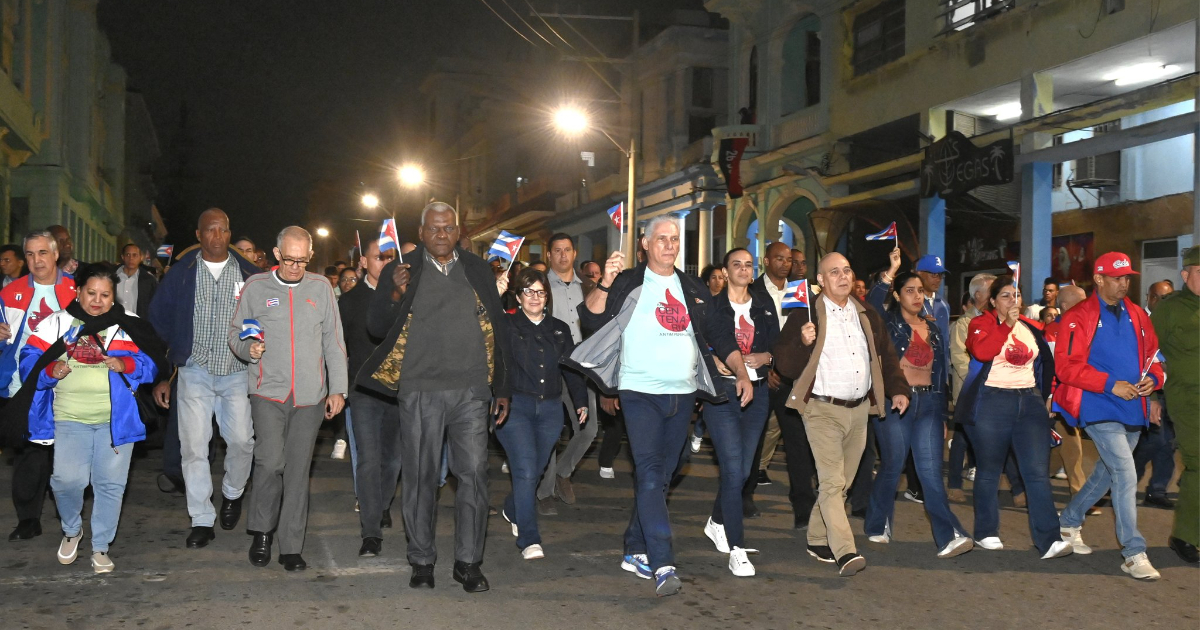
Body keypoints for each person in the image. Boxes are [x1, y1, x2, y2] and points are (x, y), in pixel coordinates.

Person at [566, 215, 751, 596]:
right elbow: (591, 315)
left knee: (666, 472)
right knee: (650, 473)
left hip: (683, 395)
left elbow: (719, 332)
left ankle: (635, 547)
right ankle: (663, 561)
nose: (669, 244)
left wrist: (741, 371)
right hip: (639, 392)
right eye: (661, 238)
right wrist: (605, 281)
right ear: (645, 244)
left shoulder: (692, 287)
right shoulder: (630, 280)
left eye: (674, 239)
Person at [356, 202, 511, 592]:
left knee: (474, 475)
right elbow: (375, 327)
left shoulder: (478, 268)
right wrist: (394, 292)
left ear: (457, 232)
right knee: (422, 476)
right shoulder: (403, 268)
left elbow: (498, 327)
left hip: (472, 390)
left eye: (448, 229)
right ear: (422, 232)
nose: (441, 235)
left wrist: (502, 387)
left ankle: (468, 562)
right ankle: (422, 559)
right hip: (421, 389)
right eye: (433, 229)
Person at [16, 265, 159, 573]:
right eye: (91, 293)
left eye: (105, 295)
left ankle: (101, 547)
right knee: (67, 481)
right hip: (68, 418)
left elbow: (152, 362)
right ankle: (72, 530)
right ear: (77, 292)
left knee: (110, 485)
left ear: (113, 296)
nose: (97, 301)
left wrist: (126, 364)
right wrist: (49, 371)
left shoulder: (128, 324)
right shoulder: (56, 324)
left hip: (116, 421)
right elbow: (28, 361)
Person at [772, 252, 908, 577]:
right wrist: (803, 342)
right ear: (821, 280)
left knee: (841, 484)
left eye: (847, 269)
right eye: (834, 272)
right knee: (832, 481)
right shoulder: (806, 315)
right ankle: (844, 550)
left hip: (860, 409)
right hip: (821, 410)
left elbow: (886, 355)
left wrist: (898, 388)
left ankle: (817, 537)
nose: (843, 276)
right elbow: (785, 366)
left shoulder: (867, 313)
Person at [229, 226, 347, 572]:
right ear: (277, 255)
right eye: (290, 259)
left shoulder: (321, 288)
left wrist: (338, 388)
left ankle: (291, 545)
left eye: (303, 260)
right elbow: (236, 333)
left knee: (297, 470)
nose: (296, 266)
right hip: (268, 390)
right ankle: (262, 531)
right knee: (269, 462)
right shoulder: (256, 287)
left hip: (310, 396)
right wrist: (247, 348)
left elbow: (334, 342)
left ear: (310, 257)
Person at [148, 209, 261, 550]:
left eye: (223, 230)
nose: (217, 236)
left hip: (236, 371)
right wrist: (175, 356)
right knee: (194, 448)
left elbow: (261, 316)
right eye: (210, 230)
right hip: (194, 371)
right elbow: (157, 317)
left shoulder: (249, 274)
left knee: (242, 441)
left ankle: (232, 492)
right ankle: (200, 519)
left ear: (229, 233)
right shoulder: (182, 273)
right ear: (199, 235)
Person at [1055, 252, 1165, 580]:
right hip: (1097, 405)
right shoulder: (1078, 316)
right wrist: (1109, 385)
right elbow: (1066, 367)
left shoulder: (1137, 315)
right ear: (1099, 279)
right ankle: (1133, 552)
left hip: (1133, 406)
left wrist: (1154, 379)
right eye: (1117, 277)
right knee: (1126, 473)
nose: (1124, 283)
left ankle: (1069, 522)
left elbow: (1154, 356)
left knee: (1107, 473)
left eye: (1127, 277)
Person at [955, 275, 1072, 560]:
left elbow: (1047, 361)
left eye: (1016, 295)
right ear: (992, 301)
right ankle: (986, 531)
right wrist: (1006, 324)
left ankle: (1050, 539)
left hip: (1028, 402)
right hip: (992, 402)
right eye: (1005, 295)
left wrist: (1046, 396)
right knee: (989, 470)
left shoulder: (1030, 327)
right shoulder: (979, 324)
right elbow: (982, 352)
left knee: (1036, 473)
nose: (1013, 300)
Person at [865, 261, 972, 558]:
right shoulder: (887, 323)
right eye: (909, 290)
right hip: (896, 402)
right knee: (893, 465)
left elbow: (941, 373)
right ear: (897, 295)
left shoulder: (934, 329)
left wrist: (942, 414)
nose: (916, 296)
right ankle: (877, 523)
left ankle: (949, 535)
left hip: (929, 404)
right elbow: (870, 304)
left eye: (920, 291)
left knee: (930, 472)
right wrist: (890, 272)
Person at [497, 268, 587, 560]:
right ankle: (529, 538)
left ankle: (513, 509)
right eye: (528, 291)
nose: (534, 297)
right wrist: (493, 295)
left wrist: (580, 401)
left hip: (550, 410)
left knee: (534, 471)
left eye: (540, 291)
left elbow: (572, 369)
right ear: (518, 296)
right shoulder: (505, 324)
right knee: (524, 470)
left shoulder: (559, 328)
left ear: (547, 296)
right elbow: (477, 329)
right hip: (515, 408)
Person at [700, 248, 777, 577]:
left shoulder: (763, 305)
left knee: (743, 471)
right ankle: (737, 547)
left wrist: (767, 357)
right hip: (722, 395)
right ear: (726, 270)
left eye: (748, 265)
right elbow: (695, 343)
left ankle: (717, 521)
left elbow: (778, 345)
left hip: (757, 396)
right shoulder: (712, 307)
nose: (744, 270)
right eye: (737, 265)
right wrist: (712, 360)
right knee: (733, 470)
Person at [2, 231, 77, 541]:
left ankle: (67, 511)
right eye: (30, 254)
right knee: (29, 452)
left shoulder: (77, 291)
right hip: (22, 385)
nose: (36, 260)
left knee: (68, 452)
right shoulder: (9, 293)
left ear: (55, 255)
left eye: (42, 253)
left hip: (67, 383)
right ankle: (28, 518)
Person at [339, 238, 400, 557]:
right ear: (364, 262)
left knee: (392, 459)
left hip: (398, 392)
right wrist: (341, 387)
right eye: (380, 257)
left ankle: (382, 504)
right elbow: (339, 348)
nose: (386, 262)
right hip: (363, 393)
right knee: (369, 458)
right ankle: (371, 531)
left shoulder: (403, 297)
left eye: (391, 257)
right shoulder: (350, 301)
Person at [752, 242, 814, 526]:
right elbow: (749, 332)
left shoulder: (798, 292)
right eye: (779, 258)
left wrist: (784, 366)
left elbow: (802, 333)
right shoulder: (753, 291)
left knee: (797, 444)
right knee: (754, 440)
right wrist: (768, 367)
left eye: (789, 259)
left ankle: (803, 507)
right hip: (761, 378)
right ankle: (743, 495)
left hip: (790, 378)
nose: (785, 264)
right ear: (766, 261)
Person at [536, 234, 597, 513]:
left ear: (575, 253)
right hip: (547, 366)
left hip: (581, 367)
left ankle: (563, 471)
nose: (562, 255)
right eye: (557, 250)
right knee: (550, 431)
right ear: (549, 255)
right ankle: (545, 491)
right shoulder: (539, 286)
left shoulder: (589, 287)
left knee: (589, 428)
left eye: (567, 250)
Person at [1150, 246, 1199, 563]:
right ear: (1185, 275)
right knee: (1198, 463)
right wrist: (1152, 394)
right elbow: (1148, 353)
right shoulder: (1169, 309)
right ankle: (1184, 535)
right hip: (1187, 398)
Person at [1044, 285, 1092, 506]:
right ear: (1064, 306)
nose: (1087, 304)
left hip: (1081, 396)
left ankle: (1031, 484)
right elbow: (1051, 369)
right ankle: (1080, 497)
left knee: (1059, 449)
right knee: (1074, 446)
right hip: (1062, 398)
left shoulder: (1088, 326)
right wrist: (1053, 397)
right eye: (1080, 301)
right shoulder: (1053, 332)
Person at [1134, 280, 1176, 509]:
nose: (1163, 302)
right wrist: (1149, 398)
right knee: (1154, 441)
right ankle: (1126, 480)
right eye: (1159, 297)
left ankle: (1157, 490)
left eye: (1168, 297)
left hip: (1174, 391)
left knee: (1169, 443)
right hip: (1150, 391)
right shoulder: (1140, 322)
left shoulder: (1174, 320)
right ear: (1149, 298)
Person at [116, 243, 158, 317]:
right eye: (128, 255)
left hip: (136, 324)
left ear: (141, 258)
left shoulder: (148, 281)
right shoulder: (111, 276)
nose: (131, 258)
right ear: (123, 257)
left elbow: (154, 305)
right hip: (112, 323)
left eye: (135, 255)